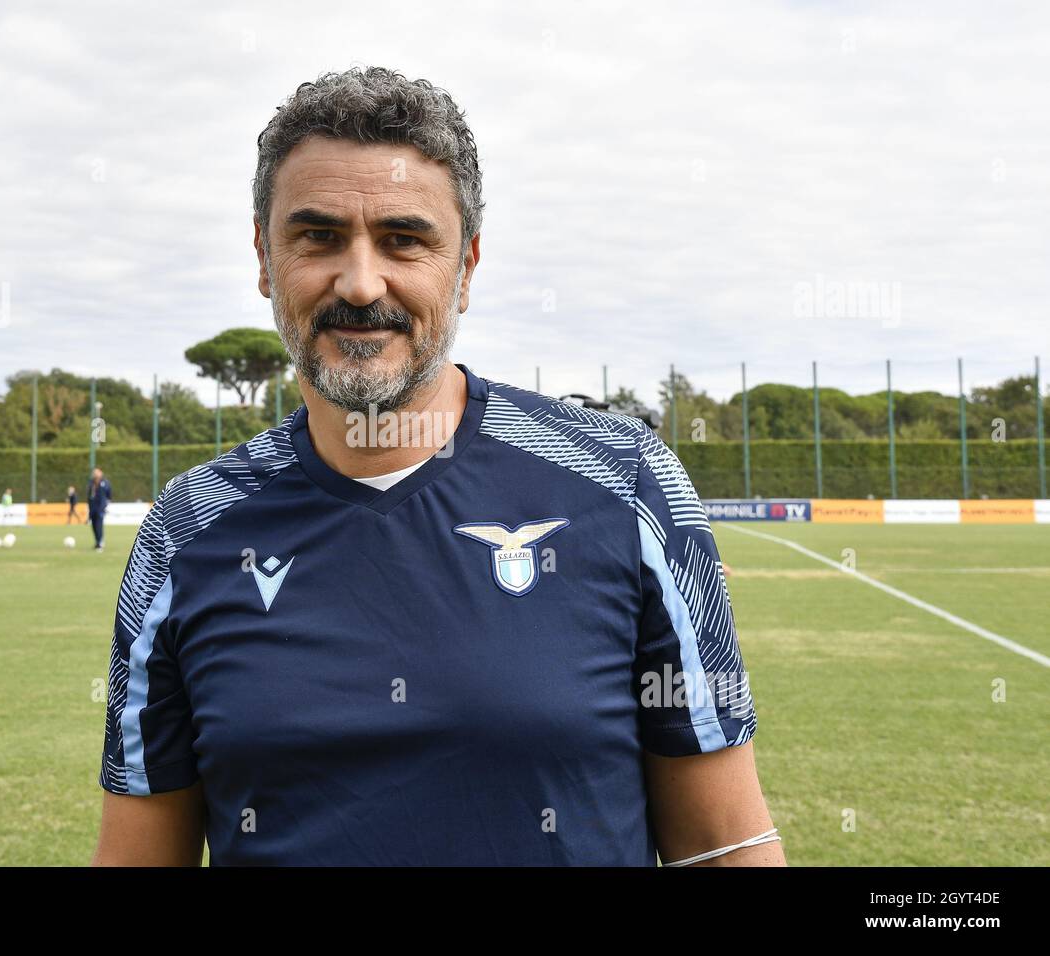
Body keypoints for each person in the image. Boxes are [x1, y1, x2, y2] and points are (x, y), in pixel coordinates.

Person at [92, 67, 782, 868]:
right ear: (262, 257)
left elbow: (724, 845)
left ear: (467, 266)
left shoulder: (626, 484)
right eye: (316, 236)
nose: (359, 282)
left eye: (404, 240)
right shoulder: (185, 533)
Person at [86, 468, 111, 552]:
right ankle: (97, 542)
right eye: (94, 473)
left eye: (97, 473)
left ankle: (100, 543)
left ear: (101, 474)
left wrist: (106, 504)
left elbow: (109, 494)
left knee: (99, 526)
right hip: (92, 507)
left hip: (100, 508)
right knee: (93, 526)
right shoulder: (91, 483)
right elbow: (89, 495)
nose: (95, 474)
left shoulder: (105, 482)